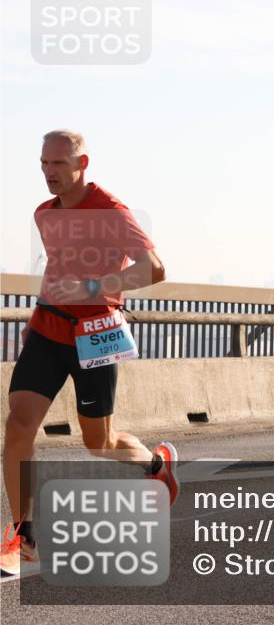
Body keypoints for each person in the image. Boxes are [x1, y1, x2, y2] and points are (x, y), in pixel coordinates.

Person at [1, 130, 178, 577]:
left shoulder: (112, 211)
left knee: (99, 444)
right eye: (44, 164)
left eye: (59, 164)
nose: (49, 173)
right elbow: (58, 268)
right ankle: (24, 537)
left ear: (83, 163)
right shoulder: (44, 214)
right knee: (18, 424)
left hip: (95, 334)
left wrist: (93, 288)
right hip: (47, 330)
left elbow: (153, 269)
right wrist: (36, 317)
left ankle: (156, 464)